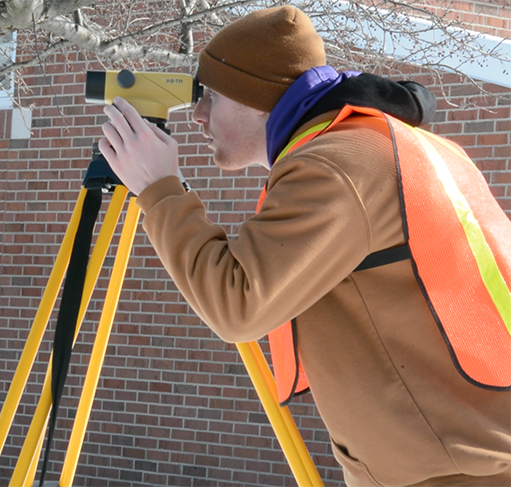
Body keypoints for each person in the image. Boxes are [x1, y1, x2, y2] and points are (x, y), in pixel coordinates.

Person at [98, 5, 511, 487]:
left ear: (257, 98)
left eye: (211, 95)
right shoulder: (389, 144)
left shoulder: (336, 165)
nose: (198, 113)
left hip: (451, 471)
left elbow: (239, 304)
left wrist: (159, 188)